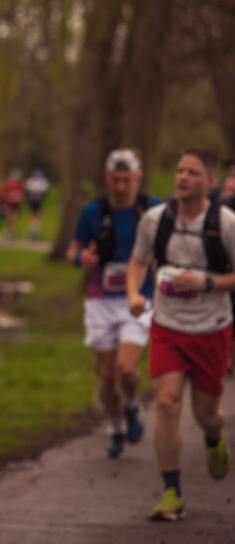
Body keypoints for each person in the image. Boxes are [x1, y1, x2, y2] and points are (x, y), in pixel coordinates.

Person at [127, 148, 234, 521]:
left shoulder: (226, 222)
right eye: (179, 170)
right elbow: (139, 259)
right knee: (168, 403)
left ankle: (214, 435)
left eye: (192, 172)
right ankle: (172, 491)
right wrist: (133, 293)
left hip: (212, 330)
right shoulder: (157, 219)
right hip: (168, 327)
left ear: (209, 181)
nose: (182, 177)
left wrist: (206, 282)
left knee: (206, 413)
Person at [67, 149, 160, 459]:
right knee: (107, 375)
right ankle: (117, 424)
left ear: (138, 178)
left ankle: (132, 403)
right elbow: (74, 249)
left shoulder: (153, 209)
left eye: (127, 180)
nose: (121, 187)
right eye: (116, 180)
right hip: (100, 300)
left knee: (127, 368)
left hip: (137, 298)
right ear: (107, 179)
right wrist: (82, 257)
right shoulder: (94, 212)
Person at [0, 169, 25, 239]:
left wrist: (19, 199)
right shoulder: (8, 184)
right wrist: (9, 196)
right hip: (8, 204)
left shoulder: (20, 185)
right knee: (9, 219)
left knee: (14, 219)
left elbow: (22, 195)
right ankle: (5, 233)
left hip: (15, 205)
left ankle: (11, 233)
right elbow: (2, 193)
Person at [24, 168, 50, 240]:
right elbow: (29, 191)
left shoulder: (43, 182)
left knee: (37, 215)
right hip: (32, 201)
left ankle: (35, 230)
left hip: (39, 201)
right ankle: (32, 230)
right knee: (32, 214)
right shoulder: (30, 181)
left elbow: (43, 192)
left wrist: (39, 196)